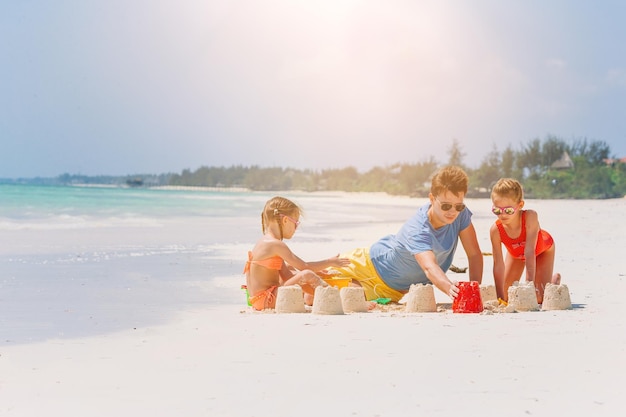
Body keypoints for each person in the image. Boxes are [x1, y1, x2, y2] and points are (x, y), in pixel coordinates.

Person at [331, 166, 483, 302]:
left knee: (346, 298)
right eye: (446, 205)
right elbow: (429, 268)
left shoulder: (460, 215)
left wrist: (474, 291)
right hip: (367, 267)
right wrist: (450, 288)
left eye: (459, 206)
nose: (452, 211)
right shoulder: (418, 229)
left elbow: (474, 254)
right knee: (314, 295)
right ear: (431, 199)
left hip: (392, 291)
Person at [244, 196, 350, 310]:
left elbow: (286, 275)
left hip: (260, 299)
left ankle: (314, 296)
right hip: (266, 299)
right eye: (296, 223)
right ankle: (337, 300)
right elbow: (305, 266)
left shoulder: (266, 242)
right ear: (285, 220)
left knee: (294, 270)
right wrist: (330, 262)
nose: (296, 228)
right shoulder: (275, 244)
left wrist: (317, 275)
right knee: (307, 274)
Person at [489, 178, 561, 304]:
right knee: (507, 297)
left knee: (538, 299)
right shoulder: (495, 230)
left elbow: (529, 251)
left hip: (542, 250)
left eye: (508, 210)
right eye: (497, 210)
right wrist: (500, 297)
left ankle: (552, 283)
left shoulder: (530, 217)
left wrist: (529, 286)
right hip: (516, 254)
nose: (502, 215)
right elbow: (498, 264)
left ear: (520, 205)